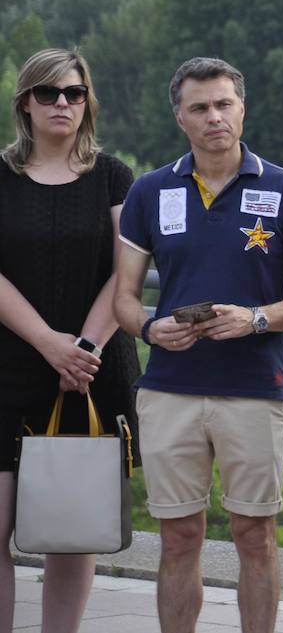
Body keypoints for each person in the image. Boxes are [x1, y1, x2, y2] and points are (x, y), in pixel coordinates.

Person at [112, 57, 283, 633]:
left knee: (256, 535)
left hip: (254, 389)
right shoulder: (150, 191)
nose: (214, 118)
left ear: (242, 108)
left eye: (224, 104)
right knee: (178, 538)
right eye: (200, 107)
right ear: (180, 116)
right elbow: (123, 299)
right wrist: (151, 327)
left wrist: (255, 318)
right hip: (170, 389)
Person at [0, 49, 139, 633]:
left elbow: (127, 269)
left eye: (75, 93)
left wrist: (81, 347)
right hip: (8, 363)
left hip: (94, 366)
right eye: (49, 93)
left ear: (88, 103)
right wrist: (48, 343)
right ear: (25, 103)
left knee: (72, 527)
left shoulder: (113, 176)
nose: (62, 103)